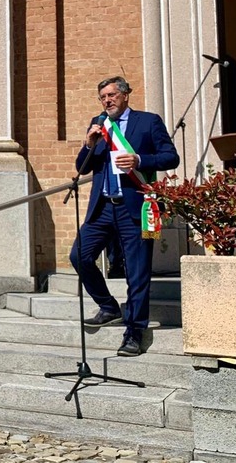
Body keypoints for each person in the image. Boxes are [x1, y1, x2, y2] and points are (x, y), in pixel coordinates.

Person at [70, 76, 179, 357]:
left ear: (125, 95)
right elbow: (82, 167)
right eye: (102, 97)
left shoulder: (148, 121)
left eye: (111, 95)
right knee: (79, 256)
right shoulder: (99, 124)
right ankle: (108, 306)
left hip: (136, 207)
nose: (107, 101)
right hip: (102, 207)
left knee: (137, 272)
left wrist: (140, 160)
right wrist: (88, 144)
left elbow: (170, 157)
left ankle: (134, 332)